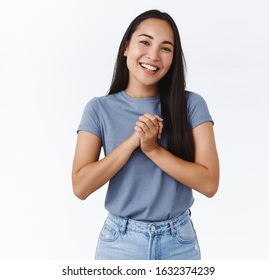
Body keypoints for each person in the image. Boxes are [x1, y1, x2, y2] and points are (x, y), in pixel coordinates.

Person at [71, 9, 219, 260]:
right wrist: (132, 143)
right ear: (126, 47)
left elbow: (209, 183)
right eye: (145, 42)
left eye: (165, 48)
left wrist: (153, 149)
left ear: (173, 58)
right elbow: (81, 186)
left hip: (179, 243)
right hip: (119, 243)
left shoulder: (192, 105)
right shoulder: (98, 109)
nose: (153, 55)